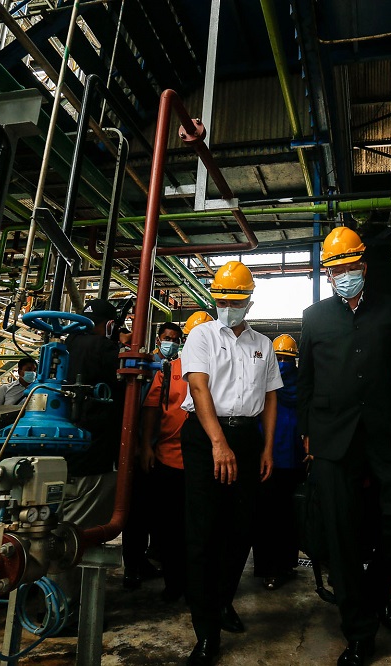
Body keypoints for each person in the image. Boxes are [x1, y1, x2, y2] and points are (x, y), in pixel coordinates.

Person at [298, 227, 391, 666]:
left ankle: (377, 594)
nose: (344, 275)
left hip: (384, 430)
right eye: (336, 270)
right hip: (332, 435)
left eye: (350, 267)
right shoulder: (314, 317)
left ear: (363, 266)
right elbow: (305, 380)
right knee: (340, 533)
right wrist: (306, 434)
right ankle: (359, 632)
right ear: (328, 275)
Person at [179, 263, 282, 666]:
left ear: (249, 302)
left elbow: (271, 397)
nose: (227, 306)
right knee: (203, 531)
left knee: (240, 530)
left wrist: (267, 448)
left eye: (235, 301)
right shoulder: (201, 336)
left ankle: (222, 601)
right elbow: (198, 387)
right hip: (206, 437)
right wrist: (218, 444)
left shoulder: (264, 345)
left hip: (247, 436)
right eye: (221, 300)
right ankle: (205, 630)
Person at [137, 313, 212, 603]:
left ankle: (199, 586)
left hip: (205, 461)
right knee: (168, 529)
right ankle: (174, 582)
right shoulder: (169, 371)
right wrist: (146, 446)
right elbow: (151, 409)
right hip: (168, 459)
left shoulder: (220, 368)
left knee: (201, 529)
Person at [123, 321, 184, 590]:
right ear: (159, 339)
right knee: (137, 513)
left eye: (175, 338)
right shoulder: (148, 366)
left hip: (165, 451)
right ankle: (133, 567)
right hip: (142, 449)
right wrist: (141, 445)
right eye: (167, 337)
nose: (171, 342)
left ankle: (155, 557)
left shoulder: (178, 369)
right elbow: (142, 409)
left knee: (161, 513)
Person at [62, 299, 123, 528]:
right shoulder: (103, 347)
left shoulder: (68, 343)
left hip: (64, 441)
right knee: (83, 519)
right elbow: (123, 382)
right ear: (109, 325)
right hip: (94, 446)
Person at [253, 334, 306, 591]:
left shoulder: (267, 383)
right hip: (276, 460)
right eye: (280, 359)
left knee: (276, 517)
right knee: (279, 517)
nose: (283, 363)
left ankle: (276, 567)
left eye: (287, 359)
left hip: (280, 460)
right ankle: (277, 566)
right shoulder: (302, 387)